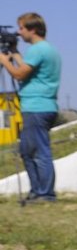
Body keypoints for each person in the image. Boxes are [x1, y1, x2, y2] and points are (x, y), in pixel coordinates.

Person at [0, 12, 62, 203]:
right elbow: (26, 68)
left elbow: (19, 74)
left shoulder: (37, 50)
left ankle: (45, 193)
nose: (19, 32)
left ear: (32, 29)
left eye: (21, 28)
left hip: (37, 107)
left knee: (40, 152)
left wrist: (4, 61)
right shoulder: (47, 49)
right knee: (27, 151)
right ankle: (37, 190)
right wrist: (14, 52)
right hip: (40, 106)